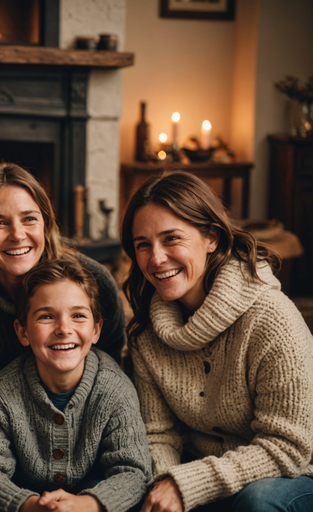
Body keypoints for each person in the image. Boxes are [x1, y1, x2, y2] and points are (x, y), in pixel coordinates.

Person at [119, 171, 313, 512]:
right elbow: (158, 434)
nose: (156, 258)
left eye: (171, 239)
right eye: (143, 245)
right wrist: (167, 486)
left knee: (258, 502)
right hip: (207, 475)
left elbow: (290, 446)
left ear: (211, 237)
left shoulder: (272, 318)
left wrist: (186, 485)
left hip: (293, 472)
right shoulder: (147, 335)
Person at [0, 258, 152, 512]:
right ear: (23, 332)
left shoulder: (114, 389)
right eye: (46, 316)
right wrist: (28, 505)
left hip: (93, 500)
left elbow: (134, 472)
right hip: (27, 499)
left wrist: (88, 504)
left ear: (96, 330)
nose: (64, 329)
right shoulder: (3, 393)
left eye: (78, 315)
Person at [0, 162, 126, 429]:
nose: (17, 235)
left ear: (45, 224)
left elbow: (111, 371)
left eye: (29, 219)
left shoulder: (94, 282)